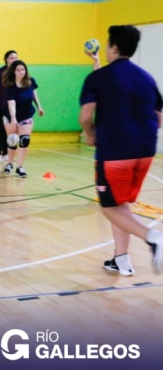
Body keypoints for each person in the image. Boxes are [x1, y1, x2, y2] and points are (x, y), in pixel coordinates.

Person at [79, 24, 163, 276]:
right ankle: (122, 259)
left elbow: (85, 117)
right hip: (146, 150)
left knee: (108, 206)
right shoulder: (147, 78)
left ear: (113, 48)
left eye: (107, 45)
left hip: (115, 151)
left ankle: (154, 237)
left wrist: (91, 134)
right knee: (121, 203)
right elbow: (158, 118)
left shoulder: (97, 77)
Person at [2, 60, 44, 178]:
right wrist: (13, 118)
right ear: (14, 72)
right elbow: (11, 103)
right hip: (11, 115)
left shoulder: (31, 81)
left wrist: (39, 106)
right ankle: (9, 163)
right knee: (12, 141)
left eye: (23, 69)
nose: (21, 72)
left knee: (24, 140)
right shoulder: (10, 85)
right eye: (18, 70)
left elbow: (33, 94)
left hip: (26, 115)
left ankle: (20, 167)